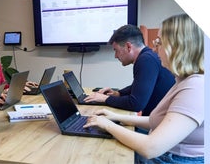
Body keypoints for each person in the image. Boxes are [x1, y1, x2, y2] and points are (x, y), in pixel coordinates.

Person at [84, 14, 204, 163]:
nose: (154, 48)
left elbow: (151, 148)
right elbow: (158, 120)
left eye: (159, 42)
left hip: (170, 158)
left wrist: (107, 124)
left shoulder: (196, 88)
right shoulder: (183, 81)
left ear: (177, 46)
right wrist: (114, 117)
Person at [84, 24, 175, 116]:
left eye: (116, 50)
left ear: (128, 47)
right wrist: (118, 93)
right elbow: (138, 87)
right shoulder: (148, 56)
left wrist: (105, 99)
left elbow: (136, 104)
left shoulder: (146, 60)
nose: (115, 56)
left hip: (154, 126)